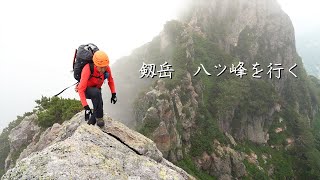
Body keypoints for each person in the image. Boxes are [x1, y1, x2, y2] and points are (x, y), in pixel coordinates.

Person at [76, 50, 117, 127]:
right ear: (95, 64)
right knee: (96, 92)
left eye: (104, 67)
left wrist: (113, 93)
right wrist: (86, 107)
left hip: (96, 89)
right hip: (86, 90)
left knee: (99, 104)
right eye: (101, 68)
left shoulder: (106, 67)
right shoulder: (87, 68)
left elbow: (110, 80)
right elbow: (81, 89)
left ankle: (96, 121)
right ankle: (92, 124)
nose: (103, 70)